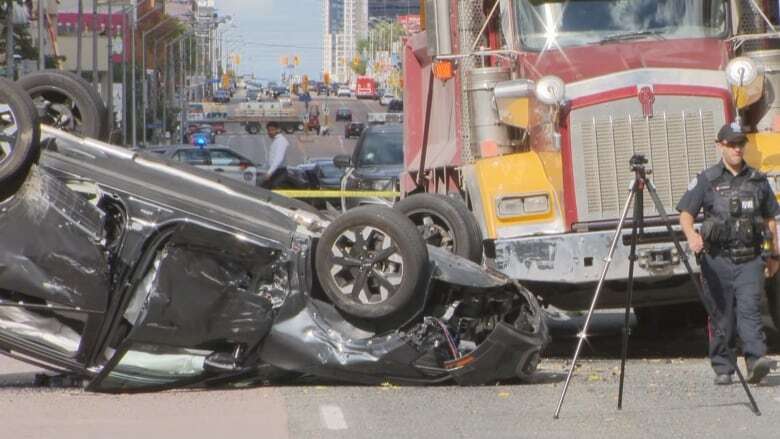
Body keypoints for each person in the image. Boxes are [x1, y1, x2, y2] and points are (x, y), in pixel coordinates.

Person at [677, 122, 779, 385]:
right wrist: (692, 237)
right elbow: (686, 214)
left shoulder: (758, 180)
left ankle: (756, 361)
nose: (737, 149)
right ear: (720, 146)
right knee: (722, 315)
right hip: (717, 260)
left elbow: (770, 220)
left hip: (750, 259)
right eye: (731, 144)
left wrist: (774, 255)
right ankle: (723, 366)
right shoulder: (706, 180)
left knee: (750, 311)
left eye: (740, 144)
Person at [261, 121, 290, 189]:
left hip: (280, 172)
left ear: (278, 130)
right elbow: (272, 158)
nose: (270, 132)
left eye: (272, 130)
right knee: (263, 189)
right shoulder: (276, 140)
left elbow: (278, 159)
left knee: (273, 191)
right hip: (275, 171)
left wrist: (269, 172)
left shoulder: (281, 141)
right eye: (269, 130)